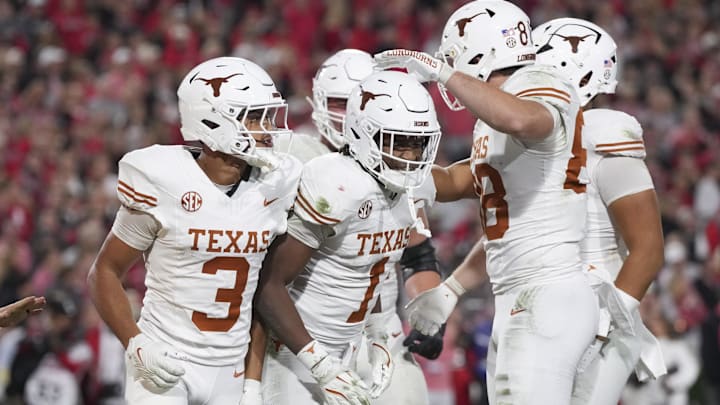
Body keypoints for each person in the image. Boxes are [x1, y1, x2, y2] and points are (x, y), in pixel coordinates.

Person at [374, 1, 599, 404]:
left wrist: (443, 71)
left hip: (546, 291)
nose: (450, 71)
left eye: (455, 59)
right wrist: (385, 166)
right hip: (525, 293)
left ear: (481, 51)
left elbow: (523, 120)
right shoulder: (501, 111)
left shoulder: (538, 81)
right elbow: (464, 180)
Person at [86, 56, 303, 405]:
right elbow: (105, 272)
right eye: (253, 117)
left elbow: (261, 293)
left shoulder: (275, 184)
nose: (266, 129)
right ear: (212, 120)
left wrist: (251, 382)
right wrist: (136, 343)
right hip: (165, 362)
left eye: (266, 116)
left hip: (231, 367)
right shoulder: (164, 180)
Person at [242, 51, 443, 405]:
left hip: (376, 324)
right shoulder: (294, 157)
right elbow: (265, 274)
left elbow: (416, 252)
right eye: (340, 99)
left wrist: (426, 311)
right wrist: (252, 381)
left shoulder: (404, 166)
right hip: (305, 331)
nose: (346, 108)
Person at [531, 17, 667, 404]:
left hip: (598, 303)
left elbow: (649, 248)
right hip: (544, 301)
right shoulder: (542, 136)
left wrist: (607, 320)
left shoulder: (603, 135)